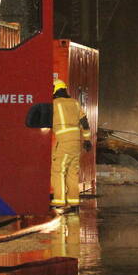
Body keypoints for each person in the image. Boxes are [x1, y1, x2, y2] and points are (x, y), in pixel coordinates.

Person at [51, 78, 92, 208]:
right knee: (72, 172)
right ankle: (74, 201)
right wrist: (87, 140)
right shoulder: (75, 103)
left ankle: (59, 201)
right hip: (76, 142)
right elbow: (84, 122)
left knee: (59, 171)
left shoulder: (54, 104)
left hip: (64, 142)